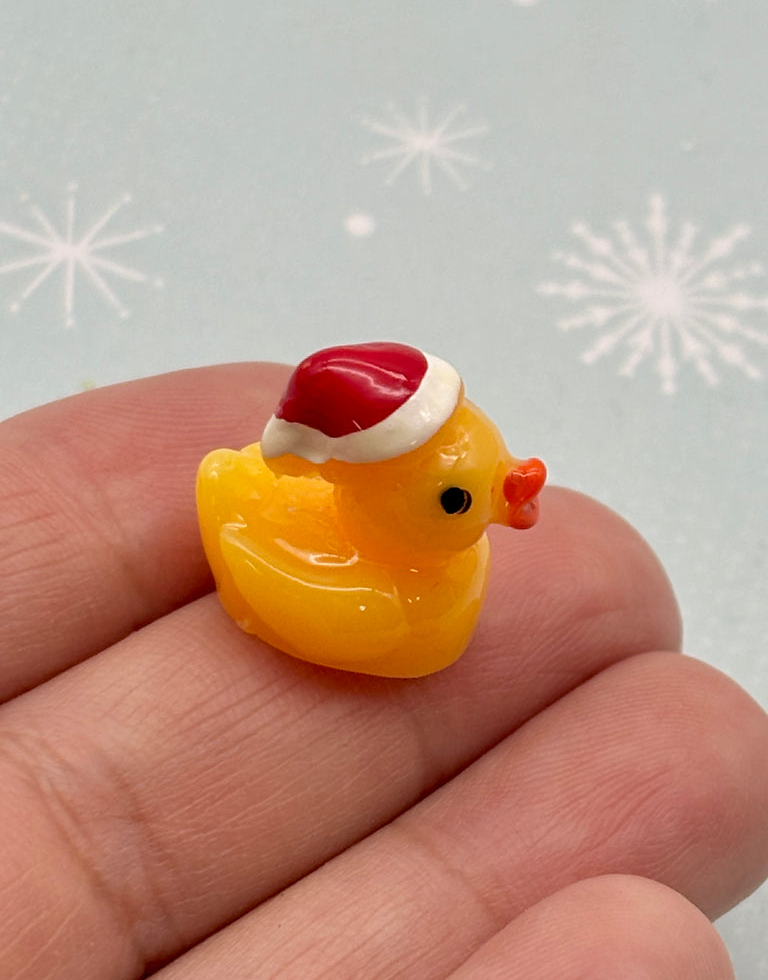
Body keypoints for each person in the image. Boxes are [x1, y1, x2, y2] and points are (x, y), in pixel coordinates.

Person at [0, 362, 766, 980]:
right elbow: (243, 525)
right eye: (462, 495)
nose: (511, 492)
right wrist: (237, 515)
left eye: (494, 459)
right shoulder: (367, 602)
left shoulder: (449, 566)